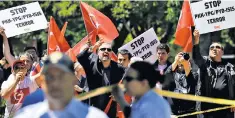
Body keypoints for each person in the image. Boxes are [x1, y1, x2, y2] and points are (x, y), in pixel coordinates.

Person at [14, 52, 108, 118]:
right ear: (42, 81)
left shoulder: (95, 116)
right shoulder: (26, 115)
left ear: (73, 79)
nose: (56, 82)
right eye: (50, 77)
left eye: (62, 76)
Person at [77, 40, 125, 117]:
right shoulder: (91, 62)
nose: (106, 51)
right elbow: (80, 57)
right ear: (98, 52)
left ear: (111, 54)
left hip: (108, 111)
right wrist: (93, 48)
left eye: (109, 50)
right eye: (103, 49)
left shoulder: (118, 68)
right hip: (91, 110)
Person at [193, 30, 235, 118]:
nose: (214, 49)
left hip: (225, 110)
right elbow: (196, 57)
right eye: (211, 48)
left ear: (222, 52)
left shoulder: (229, 67)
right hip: (206, 110)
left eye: (217, 47)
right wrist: (196, 41)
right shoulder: (204, 64)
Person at [164, 52, 198, 117]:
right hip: (174, 112)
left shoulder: (194, 74)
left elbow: (189, 75)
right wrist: (176, 61)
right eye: (180, 65)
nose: (181, 65)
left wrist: (185, 62)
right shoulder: (172, 74)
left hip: (189, 113)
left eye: (183, 64)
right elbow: (167, 74)